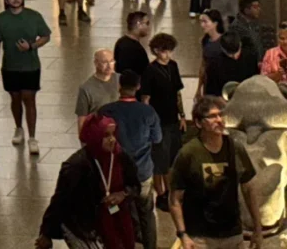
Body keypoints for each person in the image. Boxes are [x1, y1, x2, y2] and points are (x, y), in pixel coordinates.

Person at [169, 96, 263, 249]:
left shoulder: (235, 148)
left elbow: (249, 189)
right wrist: (183, 235)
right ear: (199, 123)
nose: (219, 120)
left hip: (232, 234)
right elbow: (175, 200)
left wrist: (258, 229)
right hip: (200, 238)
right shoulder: (188, 153)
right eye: (212, 116)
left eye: (221, 115)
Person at [36, 114, 139, 249]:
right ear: (95, 137)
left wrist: (123, 194)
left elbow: (135, 184)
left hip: (118, 218)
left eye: (113, 134)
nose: (112, 139)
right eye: (106, 135)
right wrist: (46, 233)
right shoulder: (76, 165)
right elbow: (60, 200)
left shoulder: (120, 156)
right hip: (85, 226)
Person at [99, 71, 161, 249]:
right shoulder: (148, 112)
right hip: (142, 172)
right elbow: (157, 138)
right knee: (146, 213)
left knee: (119, 213)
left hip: (116, 174)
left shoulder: (106, 111)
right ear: (138, 87)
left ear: (119, 87)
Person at [0, 0, 51, 154]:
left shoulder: (34, 16)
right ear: (6, 0)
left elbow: (46, 36)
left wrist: (32, 46)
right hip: (10, 66)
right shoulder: (0, 20)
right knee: (15, 98)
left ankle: (32, 137)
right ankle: (18, 127)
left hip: (31, 66)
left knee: (29, 99)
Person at [139, 33, 186, 213]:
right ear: (156, 50)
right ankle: (161, 193)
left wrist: (182, 115)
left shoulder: (173, 66)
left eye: (169, 51)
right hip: (158, 121)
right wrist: (147, 123)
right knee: (160, 160)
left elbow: (177, 93)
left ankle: (171, 191)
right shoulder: (150, 71)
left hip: (172, 119)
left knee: (173, 157)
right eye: (164, 51)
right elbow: (145, 99)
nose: (167, 54)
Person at [75, 49, 119, 134]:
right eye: (104, 62)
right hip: (99, 133)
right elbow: (82, 117)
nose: (109, 66)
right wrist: (83, 138)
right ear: (96, 63)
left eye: (111, 61)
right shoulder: (86, 88)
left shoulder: (121, 80)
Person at [204, 32, 259, 97]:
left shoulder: (251, 56)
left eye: (237, 52)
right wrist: (218, 99)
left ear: (240, 44)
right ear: (222, 49)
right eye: (230, 54)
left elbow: (256, 78)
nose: (235, 57)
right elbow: (210, 93)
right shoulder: (214, 64)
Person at [229, 0, 274, 64]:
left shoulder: (255, 24)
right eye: (255, 7)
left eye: (259, 6)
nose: (259, 9)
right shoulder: (236, 27)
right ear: (246, 10)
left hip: (258, 63)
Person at [195, 9, 226, 99]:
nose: (202, 25)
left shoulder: (224, 41)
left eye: (205, 22)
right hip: (209, 83)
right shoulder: (205, 41)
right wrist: (198, 89)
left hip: (221, 83)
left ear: (215, 23)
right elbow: (203, 65)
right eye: (201, 22)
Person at [114, 11, 150, 77]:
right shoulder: (130, 47)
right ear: (138, 24)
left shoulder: (123, 42)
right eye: (147, 23)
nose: (149, 27)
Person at [261, 22, 287, 86]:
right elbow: (263, 79)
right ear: (278, 38)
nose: (285, 42)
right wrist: (277, 75)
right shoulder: (270, 53)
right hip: (275, 89)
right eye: (282, 38)